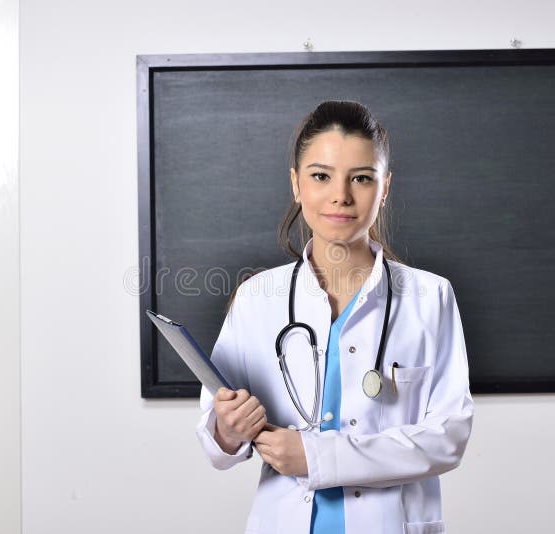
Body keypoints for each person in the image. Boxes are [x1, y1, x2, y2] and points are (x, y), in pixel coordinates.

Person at [195, 100, 474, 534]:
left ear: (384, 189)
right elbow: (217, 444)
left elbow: (447, 438)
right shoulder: (256, 299)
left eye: (361, 178)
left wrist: (317, 457)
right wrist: (230, 430)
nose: (340, 195)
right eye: (320, 176)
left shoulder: (430, 296)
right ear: (296, 184)